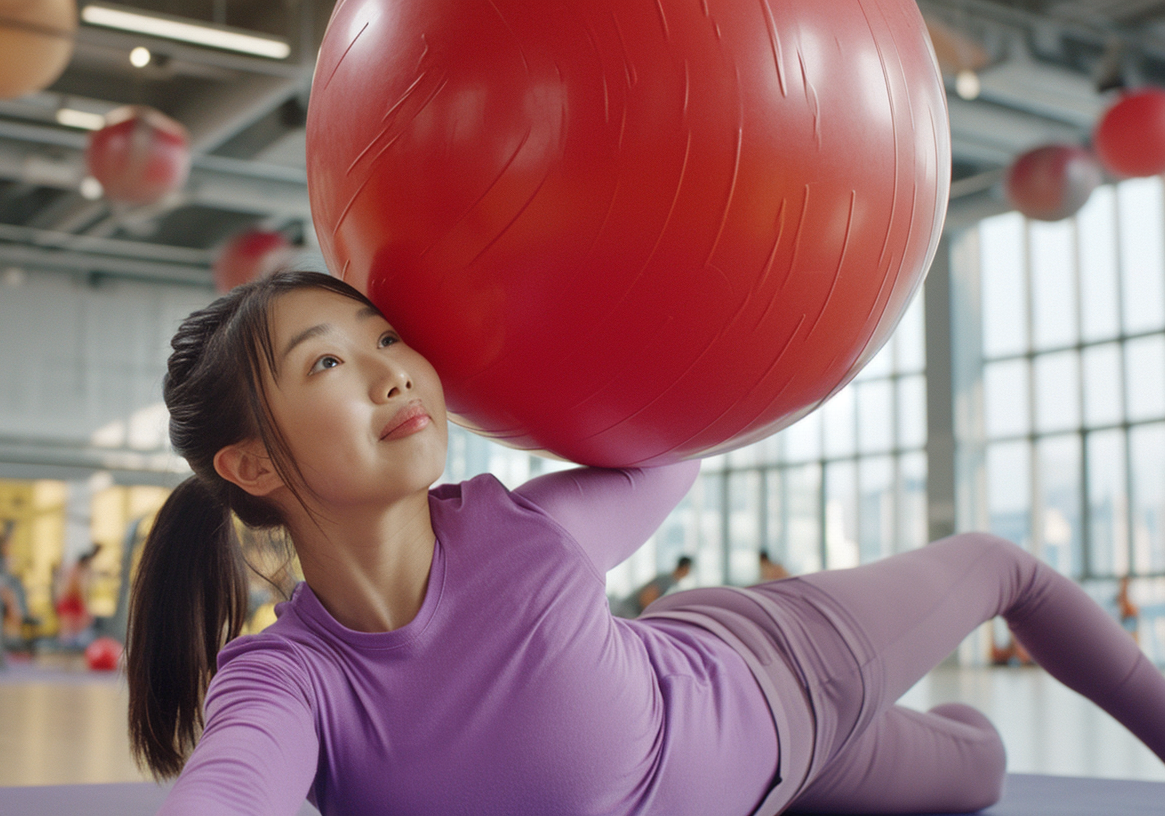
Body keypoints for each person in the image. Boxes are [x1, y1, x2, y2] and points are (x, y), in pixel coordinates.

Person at [126, 272, 1165, 816]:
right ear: (252, 466)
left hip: (781, 673)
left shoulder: (518, 531)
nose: (393, 373)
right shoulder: (288, 678)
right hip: (788, 782)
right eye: (326, 365)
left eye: (388, 339)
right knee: (978, 768)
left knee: (996, 563)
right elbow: (234, 785)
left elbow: (671, 456)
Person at [614, 556, 692, 618]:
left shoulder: (673, 583)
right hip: (628, 611)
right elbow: (646, 598)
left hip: (630, 612)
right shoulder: (666, 580)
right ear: (685, 568)